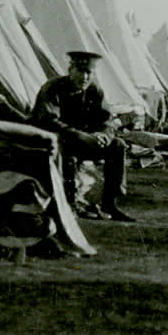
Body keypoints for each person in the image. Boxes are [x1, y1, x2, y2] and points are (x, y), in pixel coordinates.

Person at [31, 47, 132, 220]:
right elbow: (48, 122)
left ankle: (110, 203)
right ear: (70, 70)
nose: (85, 77)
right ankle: (69, 203)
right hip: (53, 141)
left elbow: (106, 120)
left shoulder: (94, 91)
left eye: (89, 73)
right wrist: (82, 136)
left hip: (84, 141)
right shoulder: (53, 88)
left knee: (117, 146)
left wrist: (103, 136)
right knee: (63, 149)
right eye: (80, 71)